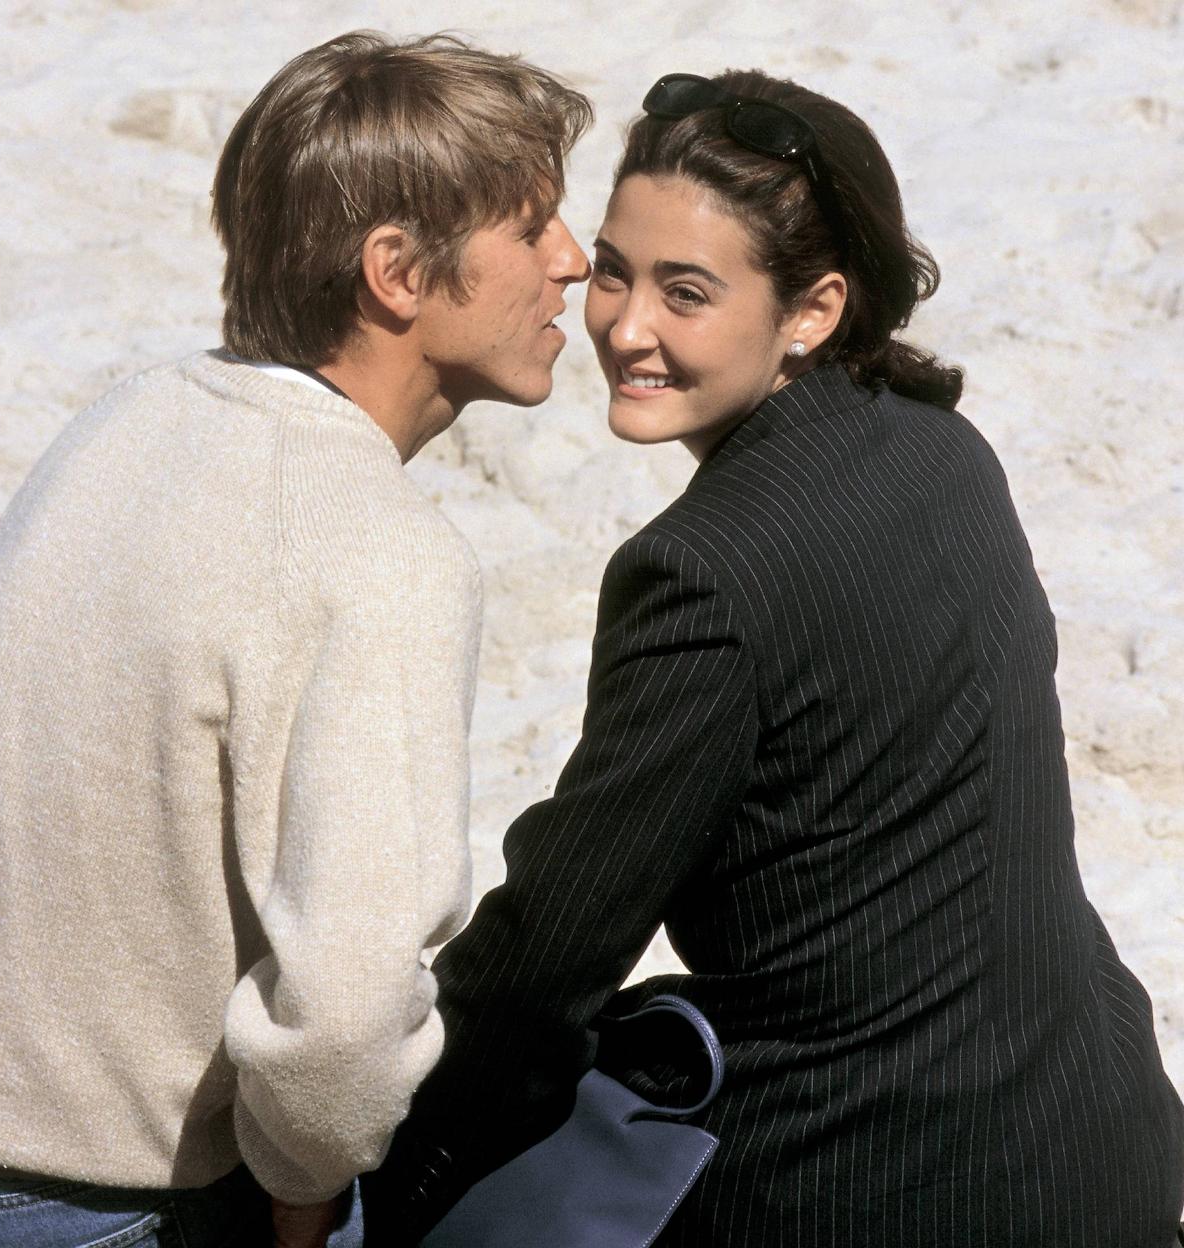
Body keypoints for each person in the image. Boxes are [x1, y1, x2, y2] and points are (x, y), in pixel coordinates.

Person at [363, 70, 1184, 1246]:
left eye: (685, 293)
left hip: (877, 1189)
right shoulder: (944, 454)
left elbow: (555, 952)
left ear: (812, 310)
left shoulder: (701, 572)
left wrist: (387, 1168)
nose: (625, 326)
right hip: (1100, 1138)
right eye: (613, 270)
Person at [0, 31, 590, 1248]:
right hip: (119, 1207)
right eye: (531, 225)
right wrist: (305, 1200)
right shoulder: (380, 551)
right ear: (397, 271)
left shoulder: (120, 424)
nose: (573, 260)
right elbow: (341, 1020)